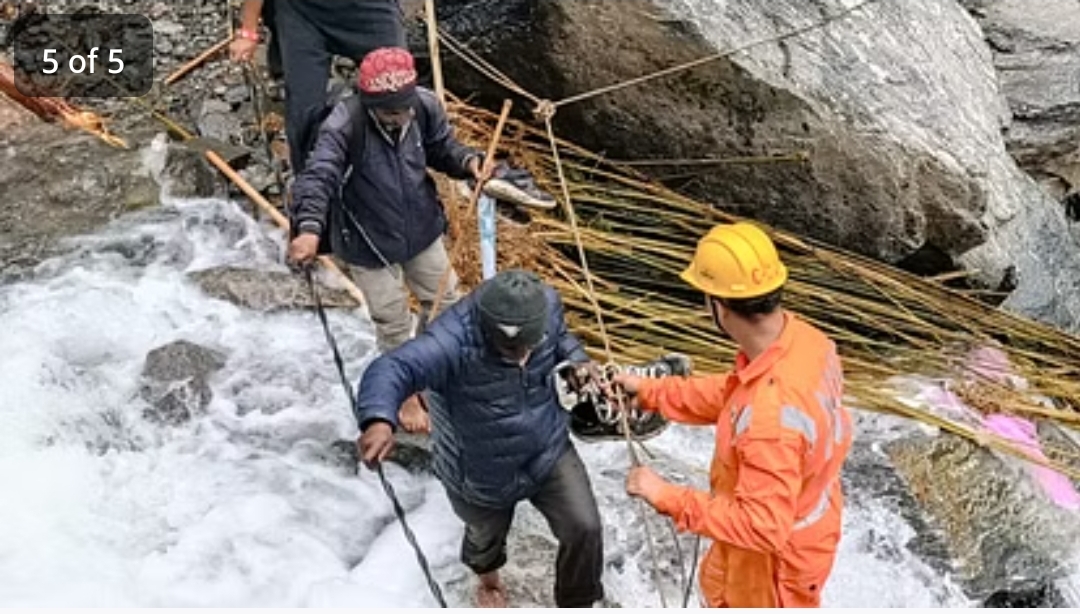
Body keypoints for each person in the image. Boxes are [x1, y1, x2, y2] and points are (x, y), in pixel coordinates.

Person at [613, 221, 854, 608]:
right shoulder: (808, 342)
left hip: (771, 570)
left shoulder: (770, 422)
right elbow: (736, 393)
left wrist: (667, 496)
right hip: (807, 528)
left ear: (718, 306)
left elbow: (761, 527)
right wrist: (652, 393)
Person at [356, 270, 606, 608]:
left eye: (527, 345)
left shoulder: (547, 303)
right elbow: (393, 368)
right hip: (478, 468)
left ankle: (577, 602)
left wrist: (578, 362)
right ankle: (488, 581)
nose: (519, 355)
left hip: (547, 448)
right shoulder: (450, 339)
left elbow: (562, 338)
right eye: (508, 347)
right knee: (485, 539)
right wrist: (378, 419)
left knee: (585, 528)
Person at [288, 47, 482, 433]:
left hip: (421, 228)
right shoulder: (343, 124)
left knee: (445, 303)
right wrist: (309, 229)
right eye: (392, 111)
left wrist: (469, 163)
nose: (402, 116)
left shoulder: (424, 106)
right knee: (392, 319)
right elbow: (319, 175)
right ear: (371, 103)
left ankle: (433, 372)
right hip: (366, 240)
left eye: (405, 107)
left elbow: (443, 148)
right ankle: (406, 393)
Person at [229, 0, 408, 174]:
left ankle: (400, 173)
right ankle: (310, 187)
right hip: (302, 11)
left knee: (396, 90)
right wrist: (248, 31)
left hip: (369, 9)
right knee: (305, 116)